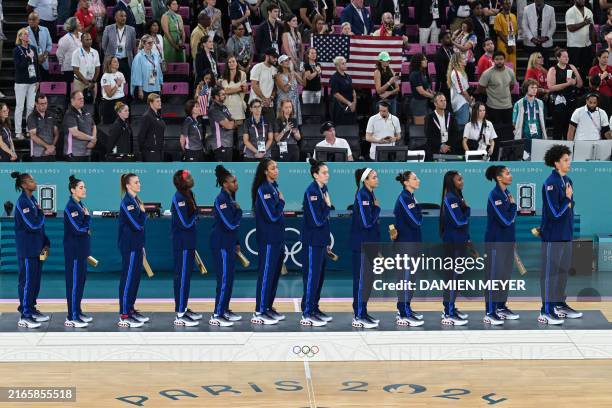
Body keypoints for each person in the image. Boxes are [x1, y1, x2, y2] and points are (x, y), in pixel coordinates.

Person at [538, 145, 583, 324]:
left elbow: (570, 208)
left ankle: (559, 304)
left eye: (568, 159)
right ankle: (545, 311)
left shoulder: (568, 180)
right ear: (556, 163)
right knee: (550, 273)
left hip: (566, 235)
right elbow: (555, 213)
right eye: (565, 160)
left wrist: (569, 200)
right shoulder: (550, 183)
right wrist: (568, 199)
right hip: (552, 236)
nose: (568, 162)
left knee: (562, 272)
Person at [11, 171, 50, 329]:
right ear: (23, 185)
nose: (34, 182)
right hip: (27, 249)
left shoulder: (32, 199)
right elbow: (32, 225)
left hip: (37, 248)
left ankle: (31, 309)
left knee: (35, 280)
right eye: (31, 181)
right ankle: (25, 315)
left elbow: (39, 226)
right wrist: (42, 214)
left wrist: (46, 242)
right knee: (26, 281)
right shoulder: (22, 203)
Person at [251, 158, 286, 325]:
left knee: (274, 274)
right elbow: (272, 215)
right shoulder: (263, 189)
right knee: (265, 274)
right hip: (268, 239)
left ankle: (268, 307)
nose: (276, 170)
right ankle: (259, 311)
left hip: (278, 238)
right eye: (273, 168)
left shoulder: (274, 187)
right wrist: (282, 202)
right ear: (265, 171)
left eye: (277, 167)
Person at [483, 165, 518, 326]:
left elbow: (510, 223)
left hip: (507, 241)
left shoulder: (507, 193)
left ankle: (501, 307)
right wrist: (513, 206)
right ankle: (490, 312)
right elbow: (505, 220)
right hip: (495, 243)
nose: (510, 175)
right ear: (499, 178)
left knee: (504, 276)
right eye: (507, 173)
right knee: (493, 277)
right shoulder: (495, 195)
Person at [299, 159, 333, 327]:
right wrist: (328, 206)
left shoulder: (323, 189)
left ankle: (314, 308)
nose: (328, 175)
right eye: (324, 172)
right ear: (315, 175)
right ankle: (306, 313)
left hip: (321, 241)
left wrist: (326, 241)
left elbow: (324, 221)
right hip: (312, 241)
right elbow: (317, 220)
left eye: (328, 172)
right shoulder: (311, 191)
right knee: (312, 277)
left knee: (319, 277)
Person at [390, 171, 425, 327]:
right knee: (405, 279)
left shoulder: (410, 197)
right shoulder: (404, 198)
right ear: (406, 182)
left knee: (410, 279)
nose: (418, 180)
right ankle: (403, 313)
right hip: (405, 245)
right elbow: (417, 220)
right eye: (414, 179)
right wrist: (418, 209)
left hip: (413, 243)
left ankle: (406, 307)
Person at [210, 165, 243, 326]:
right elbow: (230, 224)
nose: (236, 183)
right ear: (225, 184)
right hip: (221, 244)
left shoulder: (230, 198)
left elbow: (233, 229)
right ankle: (217, 314)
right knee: (223, 279)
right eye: (233, 181)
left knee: (229, 278)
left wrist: (236, 243)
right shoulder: (221, 200)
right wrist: (239, 212)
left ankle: (224, 309)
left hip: (229, 244)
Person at [168, 170, 202, 327]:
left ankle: (183, 307)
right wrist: (195, 216)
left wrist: (195, 215)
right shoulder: (178, 198)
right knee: (181, 277)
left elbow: (195, 215)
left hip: (189, 242)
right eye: (188, 177)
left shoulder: (190, 194)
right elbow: (185, 223)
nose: (191, 178)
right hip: (181, 244)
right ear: (181, 181)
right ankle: (180, 314)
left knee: (186, 277)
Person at [350, 168, 380, 329]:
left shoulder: (370, 195)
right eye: (374, 177)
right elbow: (367, 222)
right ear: (365, 180)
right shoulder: (362, 195)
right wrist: (377, 209)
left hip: (369, 244)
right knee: (361, 281)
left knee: (367, 281)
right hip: (361, 245)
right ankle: (358, 315)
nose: (377, 179)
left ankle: (363, 311)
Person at [439, 170, 470, 326]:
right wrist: (467, 210)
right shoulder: (450, 198)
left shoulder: (458, 196)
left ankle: (450, 307)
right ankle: (448, 312)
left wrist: (468, 238)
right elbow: (459, 221)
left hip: (460, 241)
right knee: (453, 277)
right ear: (452, 182)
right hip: (453, 244)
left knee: (457, 277)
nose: (462, 181)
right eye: (459, 179)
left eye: (462, 178)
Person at [117, 173, 147, 328]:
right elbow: (137, 225)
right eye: (136, 182)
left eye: (139, 181)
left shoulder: (135, 200)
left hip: (136, 246)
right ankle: (124, 315)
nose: (139, 184)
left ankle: (130, 309)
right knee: (128, 279)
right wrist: (143, 213)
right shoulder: (127, 202)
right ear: (128, 185)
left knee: (135, 278)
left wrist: (142, 246)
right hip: (128, 247)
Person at [63, 175, 92, 328]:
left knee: (80, 283)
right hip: (74, 252)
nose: (84, 189)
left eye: (84, 187)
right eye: (81, 187)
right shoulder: (71, 207)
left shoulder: (80, 205)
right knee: (74, 284)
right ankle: (71, 316)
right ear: (72, 190)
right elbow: (79, 229)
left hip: (81, 252)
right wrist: (87, 219)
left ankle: (77, 311)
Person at [547, 48, 583, 140]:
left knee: (569, 127)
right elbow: (551, 87)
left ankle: (569, 148)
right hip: (558, 101)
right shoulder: (553, 69)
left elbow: (580, 84)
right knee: (558, 127)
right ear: (558, 58)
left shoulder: (572, 67)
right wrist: (567, 84)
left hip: (571, 100)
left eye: (567, 56)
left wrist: (574, 82)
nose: (567, 58)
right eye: (564, 56)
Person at [478, 50, 516, 131]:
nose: (499, 61)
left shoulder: (510, 71)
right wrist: (491, 94)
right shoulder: (487, 73)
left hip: (508, 106)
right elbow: (480, 88)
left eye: (501, 59)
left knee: (508, 131)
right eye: (497, 59)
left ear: (504, 60)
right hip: (492, 107)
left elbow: (511, 86)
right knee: (493, 132)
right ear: (493, 60)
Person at [14, 28, 40, 140]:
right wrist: (28, 57)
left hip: (32, 82)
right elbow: (19, 67)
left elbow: (37, 66)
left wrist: (38, 80)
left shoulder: (33, 48)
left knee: (30, 106)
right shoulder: (16, 50)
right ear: (20, 37)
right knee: (20, 107)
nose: (27, 36)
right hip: (21, 82)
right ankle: (18, 132)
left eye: (27, 34)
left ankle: (29, 130)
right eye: (24, 34)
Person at [101, 10, 138, 87]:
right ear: (115, 18)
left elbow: (133, 46)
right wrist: (110, 57)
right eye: (121, 16)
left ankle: (127, 97)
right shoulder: (108, 29)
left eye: (125, 16)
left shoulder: (131, 30)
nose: (124, 18)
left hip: (126, 60)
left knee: (127, 81)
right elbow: (104, 46)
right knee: (111, 82)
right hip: (112, 61)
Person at [512, 79, 547, 154]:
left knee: (537, 158)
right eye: (532, 87)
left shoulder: (540, 103)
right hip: (524, 136)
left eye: (536, 88)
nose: (534, 90)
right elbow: (514, 122)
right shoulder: (519, 104)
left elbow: (542, 121)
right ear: (526, 88)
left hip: (538, 136)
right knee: (525, 159)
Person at [63, 91, 96, 162]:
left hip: (87, 153)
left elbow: (94, 126)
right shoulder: (69, 114)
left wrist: (93, 141)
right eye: (79, 99)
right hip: (74, 154)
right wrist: (92, 138)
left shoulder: (86, 111)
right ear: (72, 100)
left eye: (83, 98)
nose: (82, 100)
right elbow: (75, 133)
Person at [425, 92, 460, 160]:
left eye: (445, 100)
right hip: (435, 148)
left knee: (458, 156)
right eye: (441, 101)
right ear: (435, 103)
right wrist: (441, 146)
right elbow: (429, 135)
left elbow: (455, 133)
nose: (444, 102)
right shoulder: (429, 117)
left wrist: (447, 145)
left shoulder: (451, 116)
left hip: (449, 147)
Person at [566, 0, 594, 81]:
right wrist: (584, 22)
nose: (582, 0)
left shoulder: (589, 11)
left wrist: (592, 43)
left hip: (586, 44)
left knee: (585, 68)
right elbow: (570, 28)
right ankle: (571, 86)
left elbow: (591, 28)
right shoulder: (570, 12)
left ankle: (584, 86)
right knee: (572, 68)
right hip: (574, 46)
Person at [522, 0, 556, 67]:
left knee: (545, 65)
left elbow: (553, 26)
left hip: (545, 42)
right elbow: (524, 25)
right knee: (532, 66)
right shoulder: (527, 8)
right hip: (531, 42)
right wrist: (532, 38)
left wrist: (546, 37)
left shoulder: (551, 9)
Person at [249, 48, 279, 123]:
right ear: (267, 56)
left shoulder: (274, 70)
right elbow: (254, 85)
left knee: (271, 129)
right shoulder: (257, 67)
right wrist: (264, 98)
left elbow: (275, 87)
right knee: (257, 130)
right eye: (273, 57)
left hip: (269, 104)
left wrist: (271, 98)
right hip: (256, 104)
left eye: (276, 58)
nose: (275, 59)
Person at [57, 18, 82, 104]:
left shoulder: (82, 36)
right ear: (74, 26)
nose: (81, 24)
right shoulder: (65, 39)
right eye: (79, 23)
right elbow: (59, 53)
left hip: (81, 69)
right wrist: (62, 65)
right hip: (69, 69)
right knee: (69, 93)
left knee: (79, 92)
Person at [27, 94, 59, 162]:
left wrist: (52, 147)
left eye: (45, 103)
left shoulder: (52, 115)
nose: (44, 106)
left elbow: (56, 133)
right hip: (38, 154)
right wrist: (48, 147)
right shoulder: (31, 117)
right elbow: (33, 136)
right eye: (41, 104)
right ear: (36, 104)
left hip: (51, 153)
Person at [131, 35, 164, 100]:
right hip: (144, 89)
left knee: (156, 107)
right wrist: (140, 90)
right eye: (149, 43)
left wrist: (160, 84)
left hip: (155, 86)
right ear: (143, 44)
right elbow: (137, 75)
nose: (151, 44)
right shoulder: (138, 57)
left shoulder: (155, 55)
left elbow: (159, 71)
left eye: (152, 42)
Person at [447, 52, 473, 135]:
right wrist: (471, 102)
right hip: (461, 104)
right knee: (462, 129)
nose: (466, 59)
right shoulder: (456, 73)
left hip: (463, 103)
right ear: (457, 61)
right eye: (463, 58)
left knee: (464, 128)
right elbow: (462, 91)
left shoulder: (460, 72)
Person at [208, 86, 235, 161]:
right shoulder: (214, 109)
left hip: (228, 143)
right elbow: (229, 125)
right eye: (223, 94)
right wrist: (230, 122)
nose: (225, 96)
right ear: (216, 97)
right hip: (220, 145)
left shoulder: (224, 107)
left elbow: (232, 122)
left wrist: (230, 122)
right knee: (222, 171)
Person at [71, 32, 100, 102]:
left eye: (90, 39)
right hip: (80, 82)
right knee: (78, 103)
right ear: (81, 41)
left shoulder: (95, 52)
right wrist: (86, 82)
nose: (89, 41)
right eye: (87, 40)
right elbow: (76, 70)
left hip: (92, 82)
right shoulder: (76, 52)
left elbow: (97, 68)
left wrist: (93, 81)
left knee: (93, 103)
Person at [275, 55, 303, 126]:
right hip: (284, 103)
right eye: (286, 60)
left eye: (288, 60)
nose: (288, 62)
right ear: (281, 63)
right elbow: (285, 89)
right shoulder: (278, 76)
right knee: (284, 124)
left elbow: (303, 83)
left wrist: (304, 73)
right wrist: (290, 80)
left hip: (294, 102)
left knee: (295, 125)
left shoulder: (293, 73)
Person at [138, 93, 166, 161]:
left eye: (160, 101)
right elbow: (141, 136)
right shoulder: (147, 116)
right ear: (151, 103)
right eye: (157, 101)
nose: (160, 103)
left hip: (159, 150)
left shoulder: (158, 115)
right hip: (150, 152)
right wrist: (147, 150)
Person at [330, 56, 357, 125]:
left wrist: (354, 103)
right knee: (341, 127)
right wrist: (349, 103)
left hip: (351, 106)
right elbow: (336, 94)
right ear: (338, 66)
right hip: (340, 107)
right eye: (343, 63)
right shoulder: (334, 78)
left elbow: (353, 91)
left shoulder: (348, 76)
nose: (345, 65)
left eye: (345, 63)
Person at [221, 56, 247, 125]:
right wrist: (239, 88)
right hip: (227, 103)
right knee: (229, 127)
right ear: (227, 64)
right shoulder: (224, 75)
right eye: (229, 62)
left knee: (239, 127)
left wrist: (231, 90)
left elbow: (244, 89)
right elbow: (226, 91)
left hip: (238, 103)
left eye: (233, 61)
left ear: (236, 63)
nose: (231, 63)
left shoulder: (242, 74)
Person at [100, 56, 127, 125]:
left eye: (117, 61)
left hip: (121, 101)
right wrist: (117, 85)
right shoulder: (105, 76)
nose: (117, 63)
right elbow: (109, 95)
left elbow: (124, 90)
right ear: (109, 64)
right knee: (110, 127)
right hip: (110, 104)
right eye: (115, 62)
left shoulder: (120, 74)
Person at [27, 13, 53, 82]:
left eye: (34, 19)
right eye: (30, 19)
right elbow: (24, 48)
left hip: (43, 61)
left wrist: (44, 56)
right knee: (33, 84)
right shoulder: (24, 32)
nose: (31, 21)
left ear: (38, 20)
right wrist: (36, 58)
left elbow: (49, 45)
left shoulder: (45, 30)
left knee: (45, 83)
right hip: (31, 63)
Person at [494, 0, 517, 73]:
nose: (508, 5)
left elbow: (514, 31)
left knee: (512, 64)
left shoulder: (513, 16)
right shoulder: (498, 16)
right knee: (504, 62)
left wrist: (511, 44)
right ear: (502, 5)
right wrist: (508, 43)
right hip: (502, 43)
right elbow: (499, 32)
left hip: (512, 42)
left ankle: (513, 81)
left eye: (509, 3)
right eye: (506, 4)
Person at [374, 51, 400, 116]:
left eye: (388, 60)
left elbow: (398, 89)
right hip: (382, 101)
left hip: (393, 99)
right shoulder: (377, 72)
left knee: (393, 120)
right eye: (386, 60)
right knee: (382, 121)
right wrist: (389, 82)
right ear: (380, 61)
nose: (388, 61)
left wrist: (389, 93)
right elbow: (379, 91)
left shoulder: (391, 70)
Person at [409, 53, 435, 120]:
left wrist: (431, 92)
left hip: (425, 101)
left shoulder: (422, 72)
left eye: (426, 59)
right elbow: (421, 91)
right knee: (420, 127)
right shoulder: (415, 74)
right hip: (418, 103)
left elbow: (425, 87)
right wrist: (434, 97)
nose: (426, 61)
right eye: (424, 59)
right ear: (418, 61)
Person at [435, 31, 454, 100]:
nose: (450, 40)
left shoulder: (452, 51)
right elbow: (441, 73)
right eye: (447, 38)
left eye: (450, 37)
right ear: (441, 40)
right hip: (443, 85)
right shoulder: (439, 54)